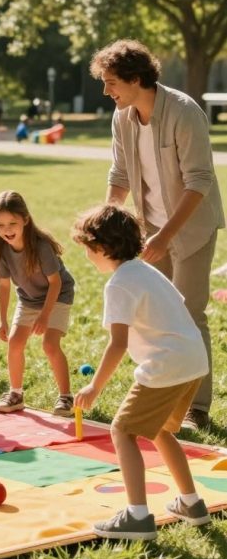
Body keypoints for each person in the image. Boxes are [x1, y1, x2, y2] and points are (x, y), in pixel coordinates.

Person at [90, 39, 224, 431]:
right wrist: (108, 219)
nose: (105, 90)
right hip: (150, 231)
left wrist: (166, 236)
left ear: (135, 78)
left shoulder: (184, 112)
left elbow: (199, 181)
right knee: (156, 317)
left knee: (190, 313)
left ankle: (196, 406)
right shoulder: (122, 117)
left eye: (111, 81)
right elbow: (120, 175)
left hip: (191, 229)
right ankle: (163, 396)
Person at [72, 204, 211, 541]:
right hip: (194, 361)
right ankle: (191, 503)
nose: (89, 258)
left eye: (89, 250)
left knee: (122, 431)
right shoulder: (148, 271)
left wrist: (94, 387)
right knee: (161, 430)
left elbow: (117, 344)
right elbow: (176, 306)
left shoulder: (119, 284)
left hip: (167, 365)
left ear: (103, 248)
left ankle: (136, 516)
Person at [0, 190, 75, 416]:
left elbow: (55, 284)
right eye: (0, 225)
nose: (7, 230)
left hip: (58, 295)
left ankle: (66, 397)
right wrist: (2, 320)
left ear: (25, 219)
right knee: (14, 342)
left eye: (12, 223)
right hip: (28, 299)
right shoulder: (2, 249)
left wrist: (44, 316)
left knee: (50, 345)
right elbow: (4, 286)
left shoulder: (41, 246)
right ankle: (16, 394)